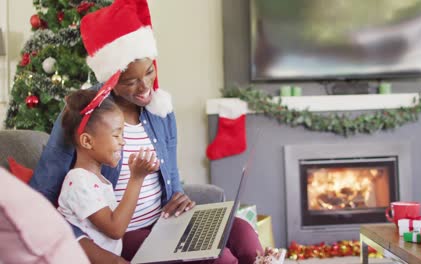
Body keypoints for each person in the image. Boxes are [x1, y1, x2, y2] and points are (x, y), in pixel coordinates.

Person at [29, 0, 263, 263]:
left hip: (164, 222)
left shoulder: (160, 108)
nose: (145, 88)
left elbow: (171, 174)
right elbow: (42, 197)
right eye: (130, 81)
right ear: (110, 79)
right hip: (123, 234)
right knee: (222, 259)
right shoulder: (87, 113)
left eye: (149, 72)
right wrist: (88, 249)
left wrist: (179, 198)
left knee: (245, 235)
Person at [57, 90, 159, 257]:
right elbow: (116, 229)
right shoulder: (78, 181)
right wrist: (137, 178)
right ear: (87, 141)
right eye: (116, 135)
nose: (123, 141)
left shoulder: (96, 179)